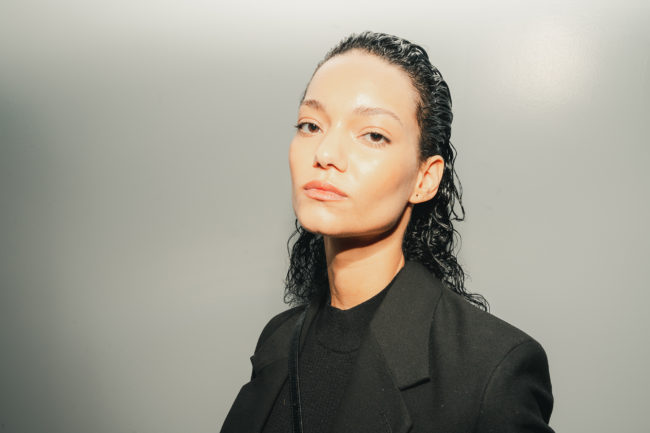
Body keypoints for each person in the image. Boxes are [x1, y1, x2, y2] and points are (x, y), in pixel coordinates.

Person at [220, 31, 554, 433]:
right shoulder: (277, 340)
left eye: (373, 135)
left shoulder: (493, 370)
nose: (325, 154)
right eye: (310, 125)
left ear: (424, 179)